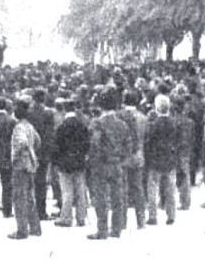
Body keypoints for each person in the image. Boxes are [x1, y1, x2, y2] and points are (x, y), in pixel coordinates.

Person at [86, 87, 130, 239]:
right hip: (117, 163)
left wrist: (93, 161)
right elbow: (128, 147)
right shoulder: (122, 125)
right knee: (118, 197)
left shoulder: (97, 123)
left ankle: (102, 229)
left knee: (101, 197)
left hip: (101, 164)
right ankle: (116, 228)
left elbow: (95, 144)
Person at [7, 99, 42, 239]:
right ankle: (35, 227)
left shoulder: (18, 127)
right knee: (29, 197)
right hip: (31, 165)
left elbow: (21, 142)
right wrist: (32, 152)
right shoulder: (30, 126)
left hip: (20, 165)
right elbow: (38, 141)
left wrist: (15, 156)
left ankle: (22, 230)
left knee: (19, 197)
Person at [52, 98, 89, 228]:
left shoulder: (61, 127)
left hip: (65, 162)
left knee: (67, 191)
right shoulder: (82, 125)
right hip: (79, 161)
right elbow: (86, 144)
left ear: (63, 109)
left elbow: (56, 146)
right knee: (80, 190)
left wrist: (56, 161)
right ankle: (81, 217)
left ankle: (66, 217)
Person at [144, 96, 178, 226]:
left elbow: (149, 142)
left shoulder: (154, 125)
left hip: (156, 159)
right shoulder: (173, 123)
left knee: (153, 188)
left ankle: (153, 216)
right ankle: (171, 215)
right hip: (170, 159)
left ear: (157, 108)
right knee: (170, 188)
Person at [118, 89, 147, 229]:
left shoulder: (120, 116)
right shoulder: (143, 117)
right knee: (138, 188)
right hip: (138, 155)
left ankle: (122, 222)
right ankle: (141, 221)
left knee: (123, 188)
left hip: (123, 156)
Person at [28, 89, 56, 221]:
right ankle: (41, 211)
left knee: (29, 182)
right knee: (41, 182)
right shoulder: (48, 113)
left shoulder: (28, 113)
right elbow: (50, 134)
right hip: (43, 152)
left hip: (29, 151)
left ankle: (29, 211)